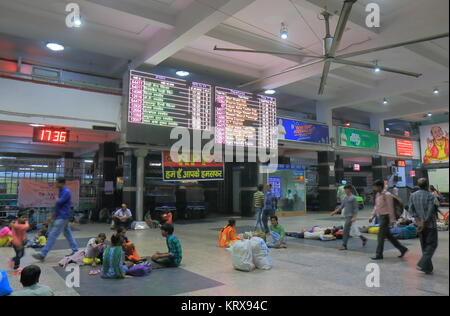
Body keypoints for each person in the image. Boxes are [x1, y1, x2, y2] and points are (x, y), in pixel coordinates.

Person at [33, 178, 79, 261]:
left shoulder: (66, 192)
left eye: (57, 182)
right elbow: (58, 206)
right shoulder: (61, 191)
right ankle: (75, 250)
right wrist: (53, 215)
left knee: (52, 235)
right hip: (61, 216)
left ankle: (43, 254)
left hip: (62, 216)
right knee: (68, 234)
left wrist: (56, 199)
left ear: (62, 183)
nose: (55, 184)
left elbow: (59, 202)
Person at [369, 180, 408, 260]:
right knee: (389, 236)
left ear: (379, 186)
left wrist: (392, 220)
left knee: (380, 236)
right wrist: (372, 216)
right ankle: (402, 249)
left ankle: (379, 254)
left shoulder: (387, 195)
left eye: (375, 186)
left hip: (386, 217)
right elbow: (376, 206)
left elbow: (390, 208)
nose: (374, 188)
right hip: (381, 217)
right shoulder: (378, 195)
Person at [409, 178, 439, 275]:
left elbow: (411, 211)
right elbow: (430, 211)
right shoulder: (431, 195)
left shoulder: (413, 195)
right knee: (432, 244)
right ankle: (422, 262)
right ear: (427, 185)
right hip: (430, 225)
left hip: (419, 225)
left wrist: (419, 222)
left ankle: (427, 268)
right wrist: (424, 221)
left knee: (425, 245)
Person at [331, 184, 367, 250]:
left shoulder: (353, 198)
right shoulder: (345, 197)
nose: (344, 190)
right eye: (344, 189)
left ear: (350, 189)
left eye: (346, 189)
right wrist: (334, 212)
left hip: (350, 217)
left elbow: (355, 208)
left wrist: (354, 217)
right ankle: (363, 238)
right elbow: (341, 206)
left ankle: (344, 245)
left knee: (345, 231)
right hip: (346, 216)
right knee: (354, 230)